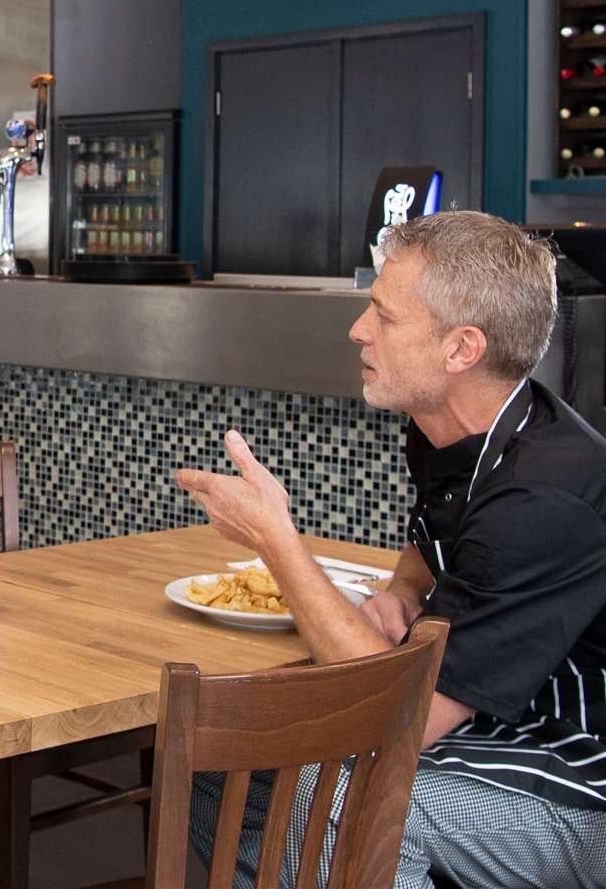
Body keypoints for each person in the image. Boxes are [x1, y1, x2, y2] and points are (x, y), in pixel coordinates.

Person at [176, 211, 606, 888]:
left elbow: (392, 718)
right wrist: (406, 591)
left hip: (580, 768)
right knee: (217, 758)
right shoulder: (451, 427)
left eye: (384, 315)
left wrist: (275, 538)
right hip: (494, 717)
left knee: (347, 794)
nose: (358, 329)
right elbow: (433, 537)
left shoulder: (545, 496)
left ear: (461, 349)